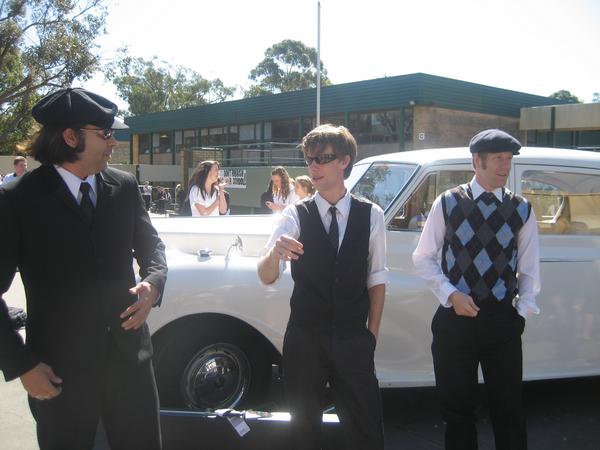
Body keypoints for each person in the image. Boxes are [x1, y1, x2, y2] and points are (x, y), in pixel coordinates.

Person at [0, 87, 168, 450]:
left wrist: (154, 283)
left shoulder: (124, 186)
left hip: (131, 364)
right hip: (59, 374)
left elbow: (152, 246)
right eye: (105, 134)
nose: (113, 143)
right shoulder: (17, 200)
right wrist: (22, 365)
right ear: (70, 136)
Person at [258, 124, 387, 450]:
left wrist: (370, 336)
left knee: (365, 429)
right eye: (309, 159)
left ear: (344, 161)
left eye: (322, 159)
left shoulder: (371, 215)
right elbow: (265, 275)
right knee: (303, 431)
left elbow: (376, 278)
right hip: (305, 339)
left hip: (353, 338)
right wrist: (275, 253)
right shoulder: (294, 215)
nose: (313, 166)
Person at [412, 129, 540, 450]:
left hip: (502, 322)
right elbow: (423, 257)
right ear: (476, 162)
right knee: (457, 413)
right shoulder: (448, 203)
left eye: (508, 159)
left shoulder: (521, 209)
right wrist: (450, 294)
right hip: (454, 323)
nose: (505, 166)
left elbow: (529, 269)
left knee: (509, 411)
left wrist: (521, 314)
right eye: (498, 159)